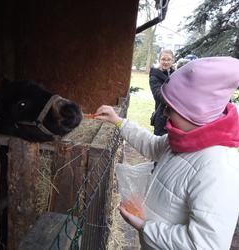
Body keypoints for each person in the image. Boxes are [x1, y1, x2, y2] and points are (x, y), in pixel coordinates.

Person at [95, 57, 239, 249]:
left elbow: (205, 245)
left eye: (170, 108)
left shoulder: (219, 169)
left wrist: (145, 227)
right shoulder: (184, 139)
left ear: (194, 111)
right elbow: (152, 145)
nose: (164, 113)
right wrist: (120, 122)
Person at [149, 49, 175, 135]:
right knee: (159, 144)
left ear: (172, 61)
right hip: (161, 115)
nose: (166, 62)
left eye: (169, 60)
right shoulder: (155, 75)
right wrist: (177, 98)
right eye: (163, 59)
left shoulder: (175, 74)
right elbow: (158, 95)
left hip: (175, 117)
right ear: (159, 60)